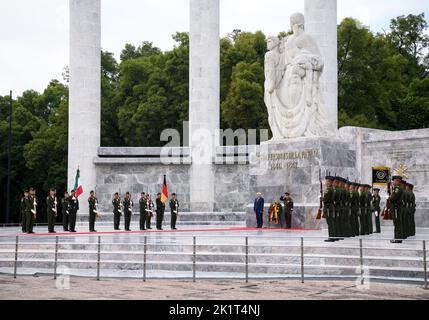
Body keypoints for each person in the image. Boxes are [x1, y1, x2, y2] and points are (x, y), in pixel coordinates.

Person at [390, 176, 405, 243]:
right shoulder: (397, 188)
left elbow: (393, 198)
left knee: (397, 223)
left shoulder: (397, 188)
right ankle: (398, 238)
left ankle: (397, 238)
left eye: (394, 181)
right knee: (398, 223)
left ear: (397, 181)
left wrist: (390, 197)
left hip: (396, 208)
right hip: (397, 207)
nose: (393, 182)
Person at [323, 175, 336, 242]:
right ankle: (332, 236)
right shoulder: (332, 188)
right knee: (331, 222)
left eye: (327, 181)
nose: (326, 182)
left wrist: (322, 198)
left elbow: (326, 199)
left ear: (330, 182)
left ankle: (331, 237)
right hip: (330, 206)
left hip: (328, 207)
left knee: (330, 223)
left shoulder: (328, 189)